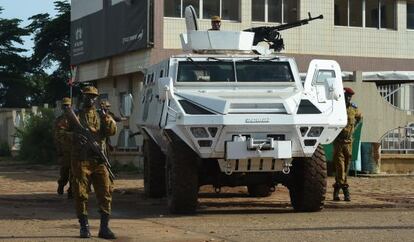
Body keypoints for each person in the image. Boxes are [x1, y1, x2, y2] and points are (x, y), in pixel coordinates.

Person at [68, 86, 117, 239]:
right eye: (88, 96)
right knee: (81, 194)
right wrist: (74, 137)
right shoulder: (74, 115)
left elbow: (112, 131)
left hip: (99, 161)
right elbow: (59, 133)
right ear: (83, 97)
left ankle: (104, 228)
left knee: (106, 193)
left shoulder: (101, 115)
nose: (91, 99)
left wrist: (106, 117)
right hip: (81, 161)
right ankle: (84, 227)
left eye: (93, 96)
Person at [332, 87, 362, 202]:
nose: (348, 98)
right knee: (340, 167)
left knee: (346, 168)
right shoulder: (337, 108)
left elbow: (359, 118)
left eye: (350, 96)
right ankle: (345, 190)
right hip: (339, 142)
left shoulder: (353, 108)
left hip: (349, 142)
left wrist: (353, 129)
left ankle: (336, 190)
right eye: (346, 96)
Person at [54, 97, 73, 199]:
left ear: (71, 106)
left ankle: (71, 191)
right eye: (65, 105)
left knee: (74, 173)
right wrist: (59, 151)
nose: (66, 107)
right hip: (64, 151)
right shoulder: (59, 120)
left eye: (68, 105)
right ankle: (61, 184)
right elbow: (57, 137)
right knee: (65, 171)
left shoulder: (76, 119)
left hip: (74, 150)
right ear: (62, 107)